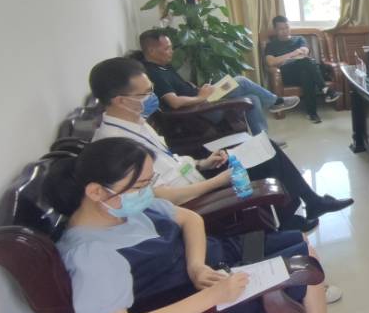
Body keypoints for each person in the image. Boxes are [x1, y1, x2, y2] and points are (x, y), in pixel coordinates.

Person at [44, 137, 329, 313]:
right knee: (305, 267)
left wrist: (196, 267)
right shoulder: (92, 255)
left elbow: (190, 219)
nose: (148, 192)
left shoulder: (122, 207)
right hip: (200, 300)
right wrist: (212, 296)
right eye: (141, 185)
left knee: (302, 245)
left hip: (212, 266)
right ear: (96, 191)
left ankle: (310, 298)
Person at [89, 57, 354, 232]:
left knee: (266, 147)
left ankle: (304, 207)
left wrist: (203, 163)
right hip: (191, 197)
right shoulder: (116, 146)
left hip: (195, 175)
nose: (153, 97)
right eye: (146, 93)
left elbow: (168, 162)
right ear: (120, 100)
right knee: (266, 156)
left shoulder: (135, 120)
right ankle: (297, 214)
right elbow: (158, 197)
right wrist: (217, 181)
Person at [137, 28, 300, 136]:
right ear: (151, 51)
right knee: (241, 81)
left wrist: (198, 88)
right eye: (167, 48)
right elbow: (174, 102)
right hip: (200, 110)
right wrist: (201, 97)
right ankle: (276, 102)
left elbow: (180, 88)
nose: (171, 51)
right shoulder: (154, 73)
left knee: (253, 98)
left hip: (203, 100)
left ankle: (264, 142)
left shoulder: (163, 66)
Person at [264, 15, 342, 123]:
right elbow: (270, 62)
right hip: (287, 75)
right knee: (307, 64)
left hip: (304, 69)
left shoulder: (299, 39)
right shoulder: (271, 45)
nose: (285, 31)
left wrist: (287, 58)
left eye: (287, 27)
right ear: (275, 30)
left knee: (306, 72)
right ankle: (325, 90)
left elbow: (305, 52)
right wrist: (292, 54)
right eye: (281, 29)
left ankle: (312, 113)